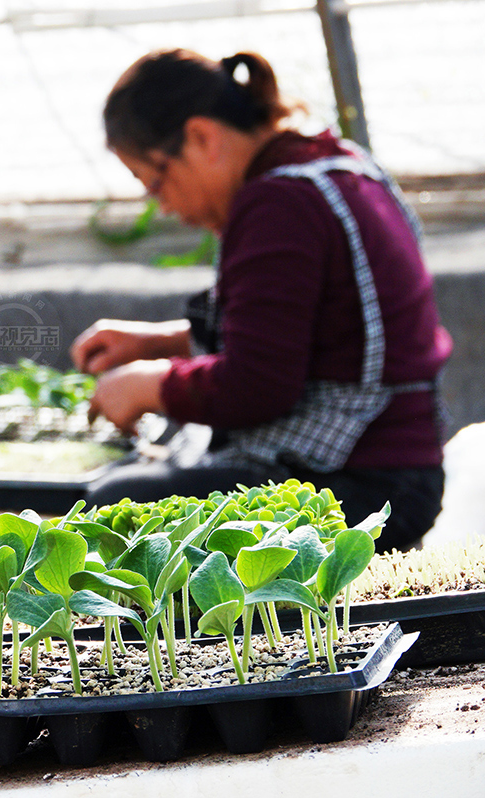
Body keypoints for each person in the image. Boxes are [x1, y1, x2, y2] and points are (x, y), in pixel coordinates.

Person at [72, 48, 452, 552]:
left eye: (156, 182)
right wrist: (157, 342)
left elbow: (261, 383)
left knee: (115, 511)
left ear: (202, 137)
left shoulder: (277, 202)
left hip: (363, 488)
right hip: (401, 475)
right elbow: (298, 331)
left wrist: (151, 385)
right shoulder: (339, 165)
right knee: (136, 494)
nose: (166, 206)